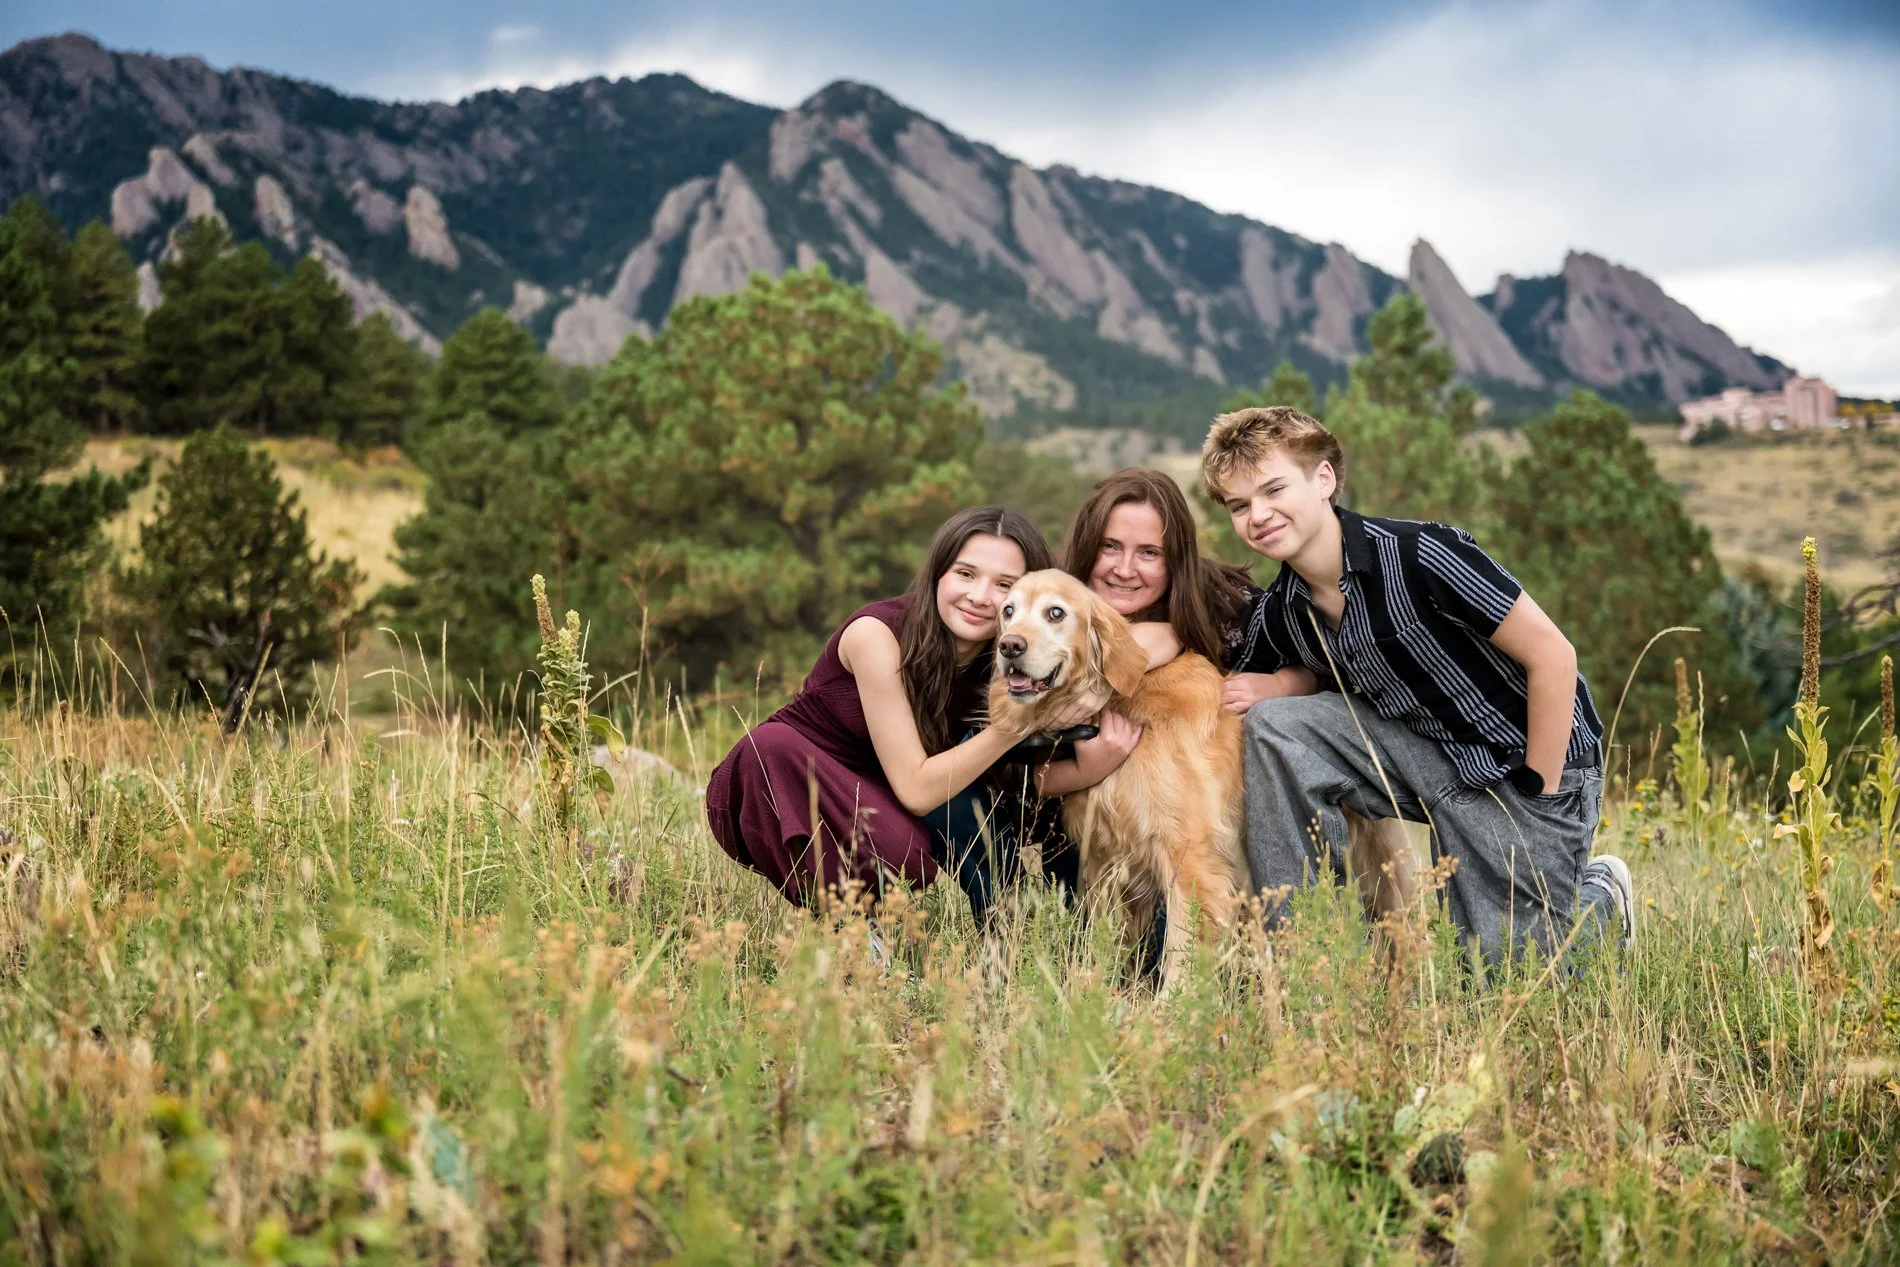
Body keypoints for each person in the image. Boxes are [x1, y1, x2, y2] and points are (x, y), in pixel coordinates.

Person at [1202, 405, 1635, 967]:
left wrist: (1540, 788)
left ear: (1324, 479)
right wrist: (1283, 682)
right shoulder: (1285, 609)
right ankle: (1300, 955)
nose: (1258, 514)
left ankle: (1599, 900)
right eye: (1239, 505)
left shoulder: (1418, 554)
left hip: (1526, 763)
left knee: (1505, 977)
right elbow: (1283, 668)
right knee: (1273, 724)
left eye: (1273, 489)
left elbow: (1553, 657)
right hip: (1424, 759)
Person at [930, 469, 1314, 929]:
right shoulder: (1048, 604)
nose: (1124, 569)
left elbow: (1325, 663)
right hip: (1054, 824)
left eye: (1149, 553)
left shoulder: (1222, 602)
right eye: (1110, 546)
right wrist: (1086, 768)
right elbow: (1005, 767)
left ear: (1175, 562)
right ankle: (1008, 930)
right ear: (1088, 545)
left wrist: (1277, 684)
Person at [704, 506, 1094, 911]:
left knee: (988, 819)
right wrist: (1014, 725)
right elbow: (917, 789)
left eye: (1003, 584)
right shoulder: (876, 635)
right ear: (938, 573)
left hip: (878, 794)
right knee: (900, 851)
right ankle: (851, 929)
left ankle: (1053, 922)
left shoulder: (1010, 654)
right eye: (965, 574)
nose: (979, 597)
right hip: (788, 776)